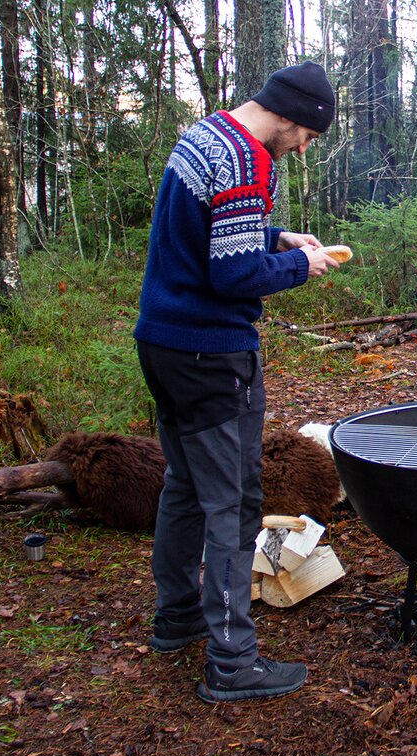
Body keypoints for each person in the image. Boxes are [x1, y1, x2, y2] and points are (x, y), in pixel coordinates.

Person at [133, 61, 341, 702]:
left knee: (185, 484)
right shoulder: (249, 159)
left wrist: (275, 238)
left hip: (162, 343)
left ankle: (177, 616)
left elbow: (207, 235)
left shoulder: (206, 135)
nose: (303, 148)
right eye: (307, 135)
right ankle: (232, 661)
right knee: (234, 504)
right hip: (211, 356)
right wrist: (301, 266)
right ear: (288, 114)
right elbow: (232, 276)